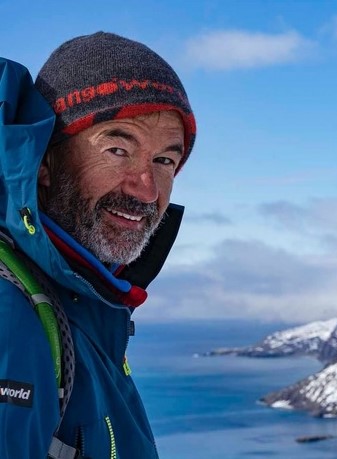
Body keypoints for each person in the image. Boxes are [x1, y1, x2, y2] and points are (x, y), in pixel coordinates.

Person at [0, 32, 196, 458]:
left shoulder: (85, 301)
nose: (147, 190)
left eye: (164, 160)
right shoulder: (10, 312)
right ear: (45, 161)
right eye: (117, 149)